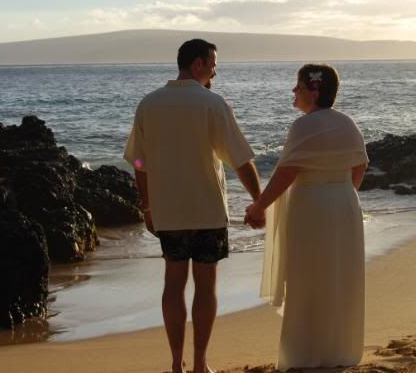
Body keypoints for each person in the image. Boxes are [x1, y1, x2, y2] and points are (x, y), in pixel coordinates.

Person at [124, 38, 262, 373]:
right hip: (207, 209)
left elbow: (139, 163)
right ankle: (200, 364)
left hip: (168, 210)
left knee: (173, 284)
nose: (215, 70)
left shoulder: (149, 104)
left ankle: (176, 364)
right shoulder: (212, 103)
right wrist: (260, 200)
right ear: (197, 64)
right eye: (213, 63)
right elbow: (241, 160)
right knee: (205, 285)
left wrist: (147, 207)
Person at [244, 63, 368, 371]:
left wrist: (259, 206)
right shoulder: (347, 123)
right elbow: (360, 166)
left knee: (308, 276)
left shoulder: (305, 126)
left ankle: (306, 354)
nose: (293, 91)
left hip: (312, 207)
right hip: (345, 204)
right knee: (340, 275)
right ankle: (340, 349)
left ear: (313, 91)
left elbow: (286, 172)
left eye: (297, 86)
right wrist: (341, 193)